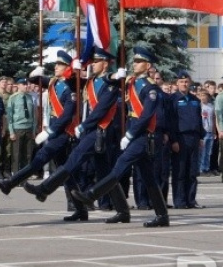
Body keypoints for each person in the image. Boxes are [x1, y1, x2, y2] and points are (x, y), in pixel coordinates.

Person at [22, 47, 130, 224]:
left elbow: (101, 110)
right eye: (92, 61)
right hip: (90, 130)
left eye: (96, 62)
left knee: (73, 160)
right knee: (104, 173)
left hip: (99, 130)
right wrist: (74, 69)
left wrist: (84, 125)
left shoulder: (108, 85)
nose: (92, 64)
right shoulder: (90, 81)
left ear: (106, 64)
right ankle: (123, 211)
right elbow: (69, 81)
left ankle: (44, 189)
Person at [71, 47, 169, 227]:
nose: (134, 64)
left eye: (139, 62)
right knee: (148, 178)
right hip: (133, 132)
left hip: (142, 136)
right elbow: (103, 84)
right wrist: (83, 73)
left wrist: (130, 134)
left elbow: (147, 115)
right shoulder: (131, 82)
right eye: (134, 61)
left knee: (119, 167)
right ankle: (160, 215)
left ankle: (91, 195)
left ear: (148, 66)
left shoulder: (150, 88)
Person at [0, 51, 89, 219]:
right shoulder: (54, 82)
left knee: (39, 158)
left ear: (67, 68)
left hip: (63, 133)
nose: (56, 67)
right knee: (66, 173)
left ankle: (10, 183)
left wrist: (50, 131)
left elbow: (68, 114)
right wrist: (35, 73)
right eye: (56, 64)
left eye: (60, 65)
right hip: (55, 131)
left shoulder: (72, 86)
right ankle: (80, 210)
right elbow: (34, 81)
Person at [166, 70, 204, 210]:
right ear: (177, 83)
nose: (184, 84)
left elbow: (199, 120)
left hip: (194, 138)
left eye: (186, 81)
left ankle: (191, 200)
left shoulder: (195, 100)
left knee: (192, 172)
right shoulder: (172, 100)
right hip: (180, 138)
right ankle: (180, 201)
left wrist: (201, 136)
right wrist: (173, 140)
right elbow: (171, 121)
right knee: (180, 172)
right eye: (181, 81)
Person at [6, 78, 35, 174]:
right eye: (23, 84)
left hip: (29, 128)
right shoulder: (13, 98)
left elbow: (33, 115)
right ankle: (15, 174)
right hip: (17, 128)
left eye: (26, 84)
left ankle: (24, 175)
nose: (26, 86)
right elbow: (9, 116)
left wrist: (34, 131)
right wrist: (11, 132)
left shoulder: (30, 97)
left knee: (27, 154)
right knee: (16, 153)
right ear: (18, 85)